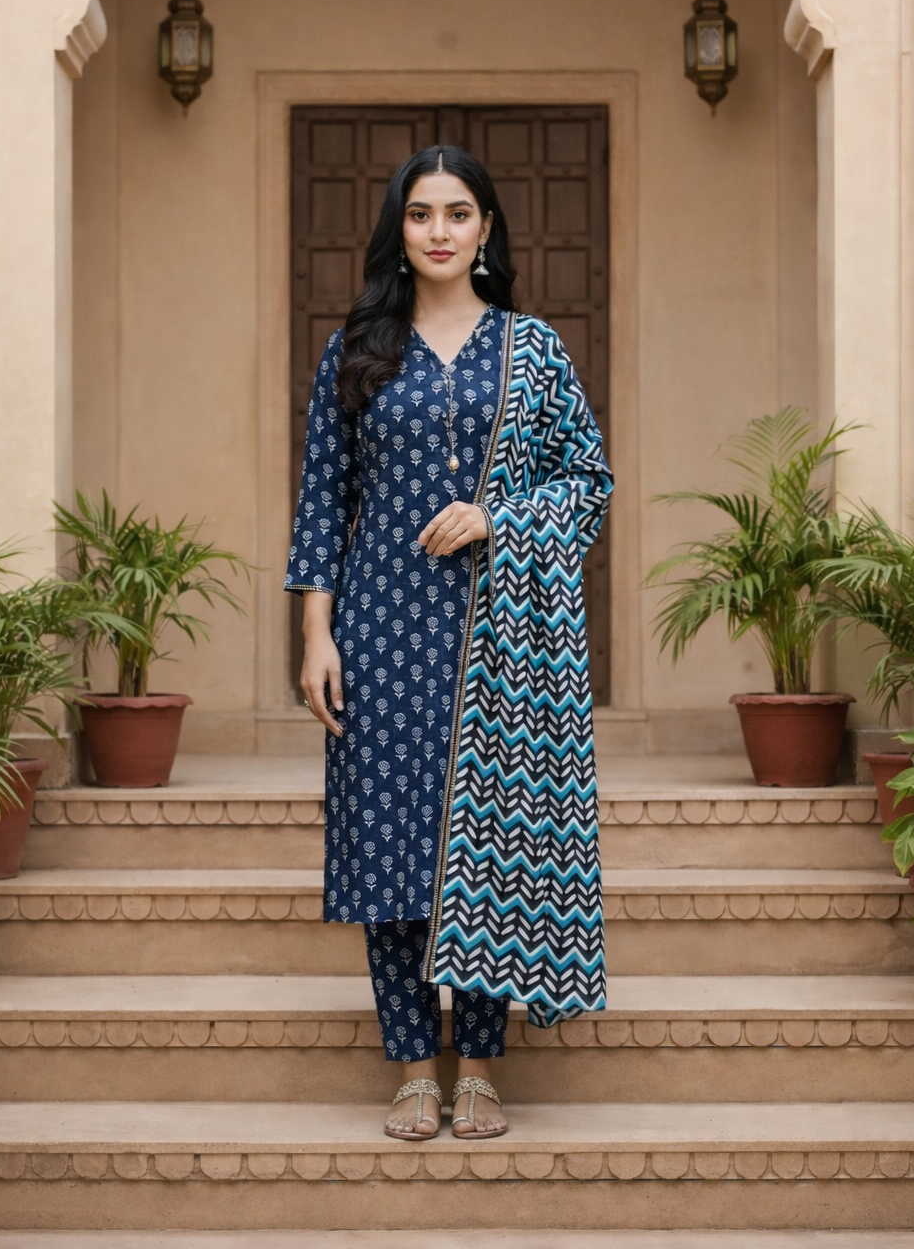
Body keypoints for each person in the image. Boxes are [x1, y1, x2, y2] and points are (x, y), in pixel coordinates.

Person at [285, 145, 612, 1142]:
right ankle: (411, 1068)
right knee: (392, 854)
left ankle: (478, 1064)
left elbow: (587, 481)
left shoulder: (533, 349)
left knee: (487, 848)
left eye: (457, 212)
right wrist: (315, 637)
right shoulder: (355, 351)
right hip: (380, 630)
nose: (438, 230)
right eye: (420, 213)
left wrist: (498, 517)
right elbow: (320, 505)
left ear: (484, 230)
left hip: (499, 638)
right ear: (399, 230)